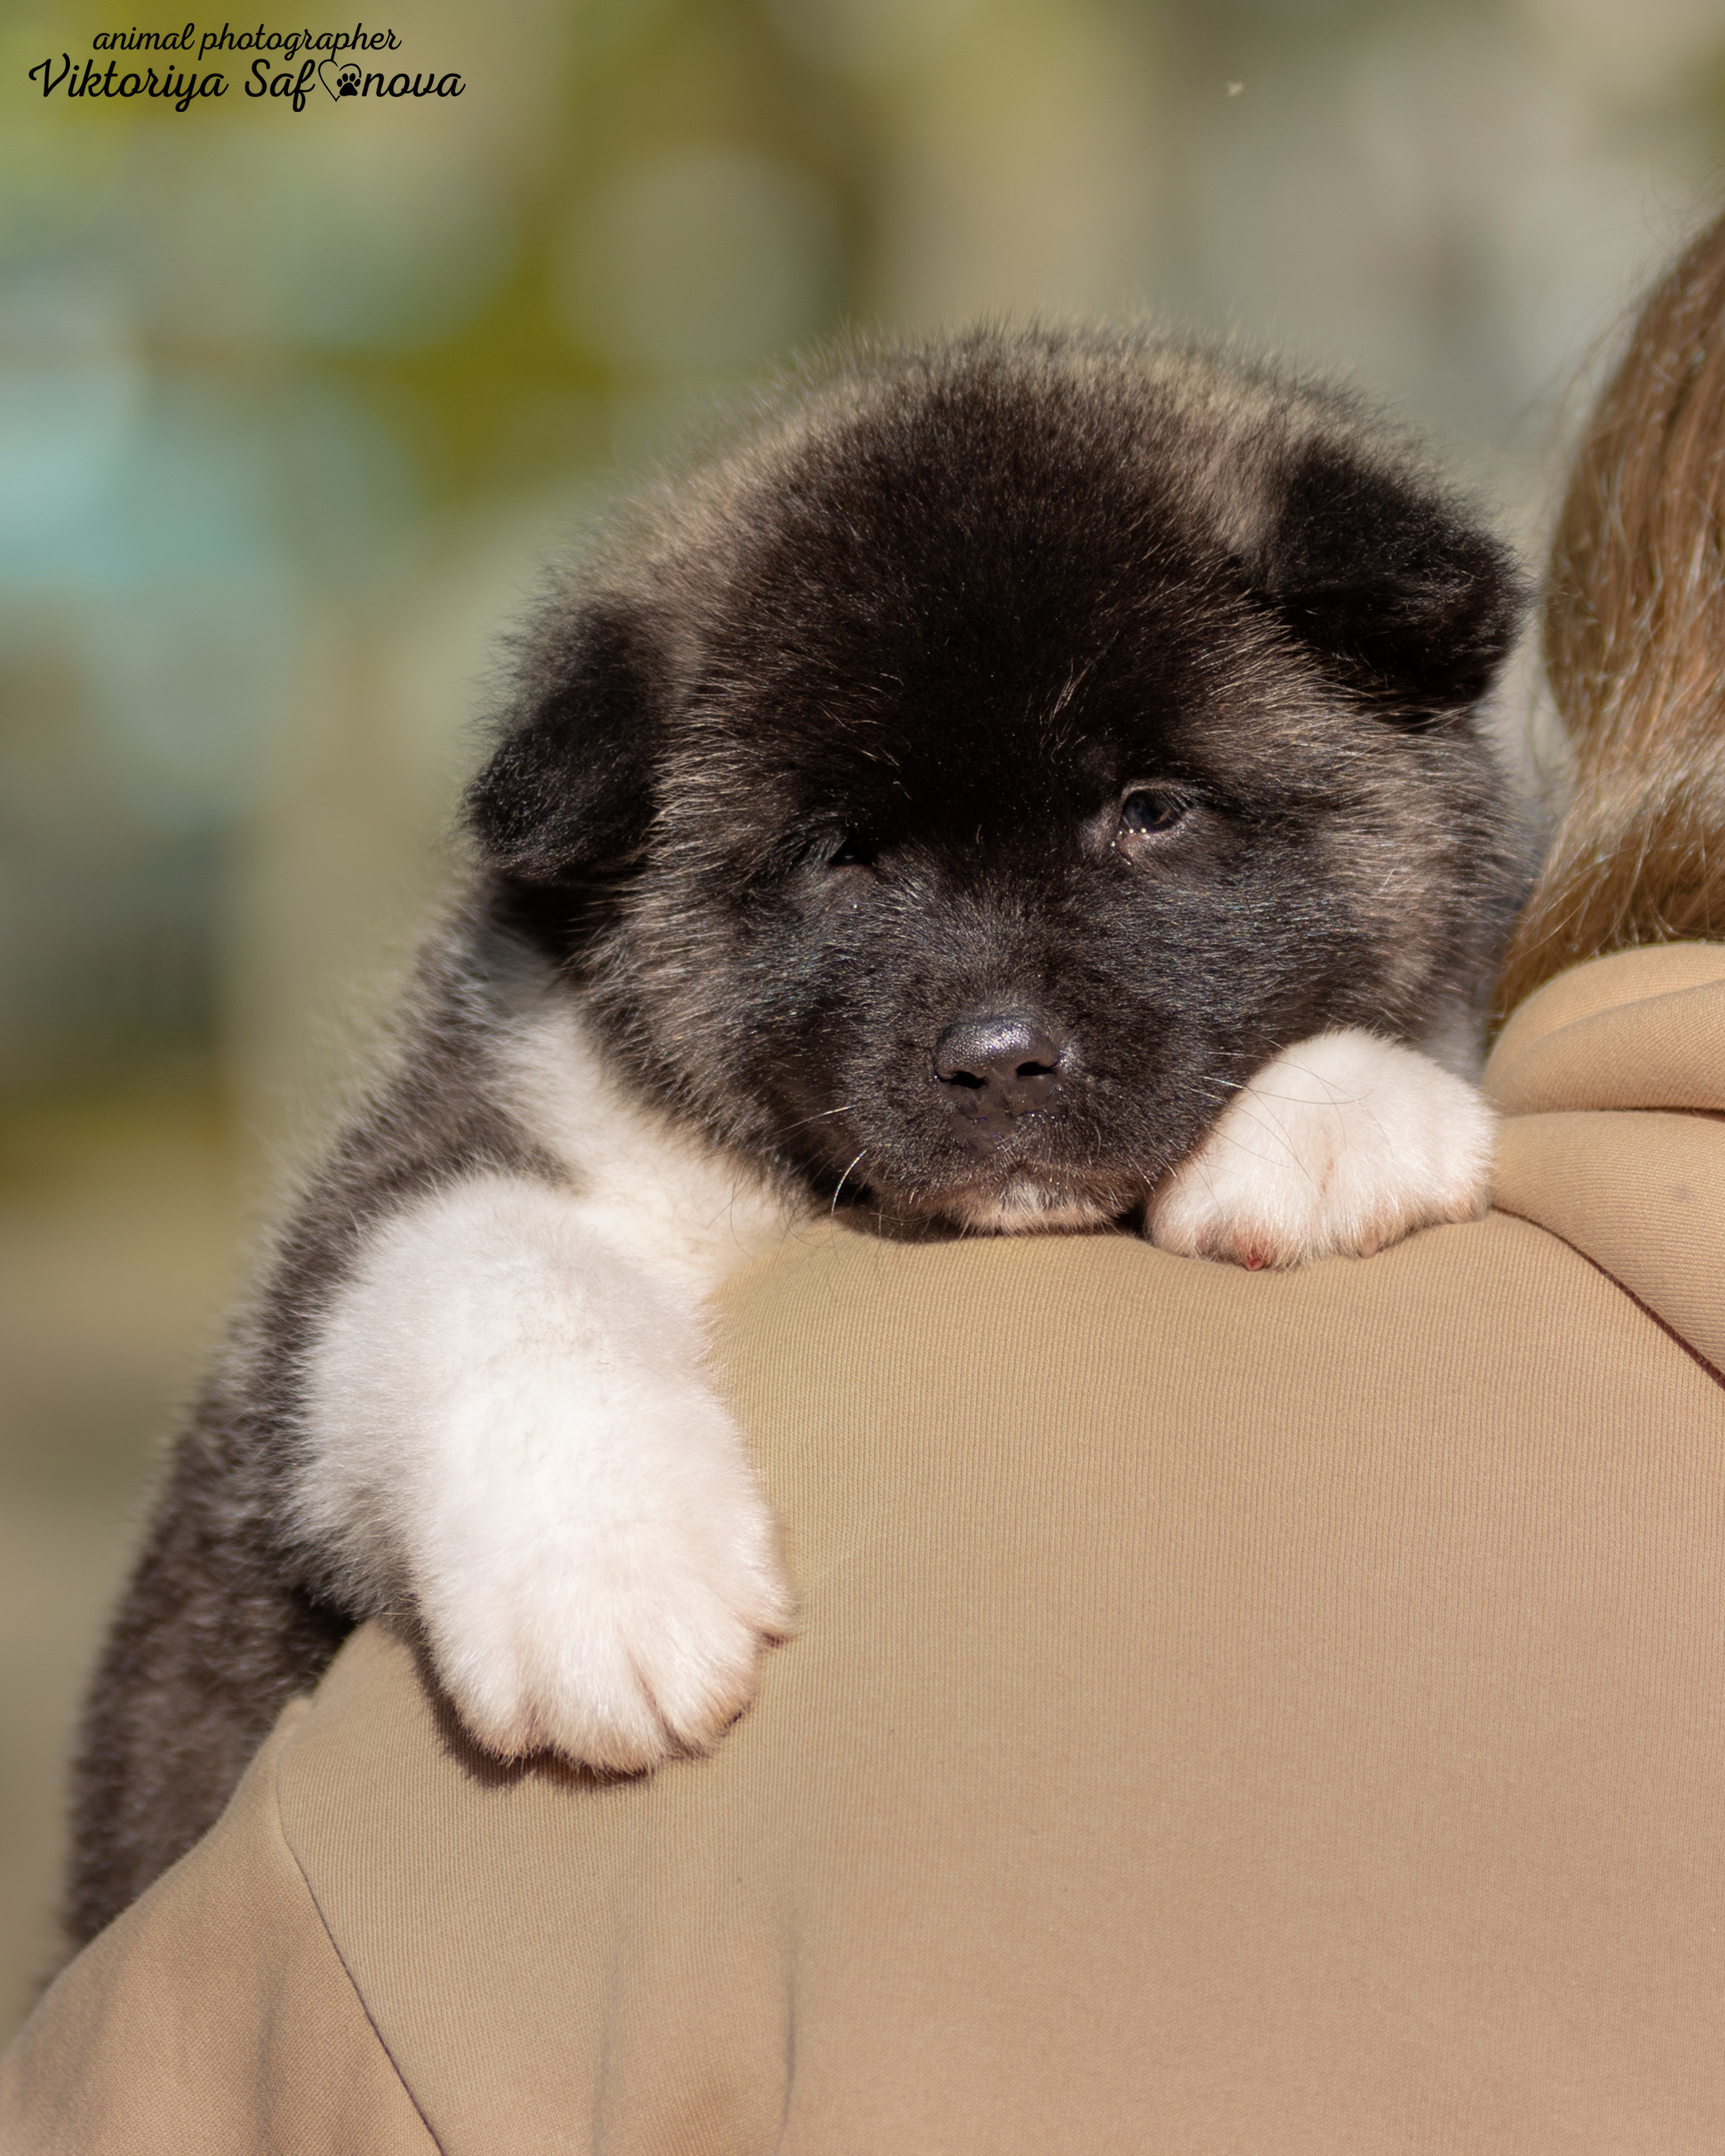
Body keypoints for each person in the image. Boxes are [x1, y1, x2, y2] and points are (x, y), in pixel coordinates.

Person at [10, 215, 1725, 2149]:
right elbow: (436, 1268)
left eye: (1146, 816)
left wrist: (1359, 1061)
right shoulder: (578, 1076)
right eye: (842, 861)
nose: (994, 1021)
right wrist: (531, 1416)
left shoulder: (1461, 1005)